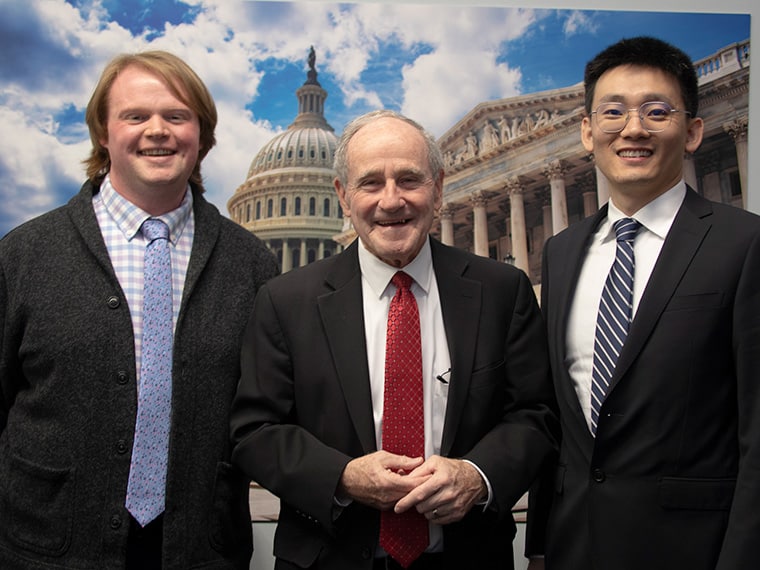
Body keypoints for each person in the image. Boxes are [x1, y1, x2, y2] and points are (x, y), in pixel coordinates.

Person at [230, 109, 559, 570]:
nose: (391, 200)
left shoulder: (502, 290)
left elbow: (536, 413)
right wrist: (342, 476)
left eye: (409, 179)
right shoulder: (285, 300)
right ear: (343, 197)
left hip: (467, 557)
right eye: (370, 183)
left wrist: (478, 475)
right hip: (329, 557)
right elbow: (254, 432)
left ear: (439, 188)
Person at [0, 51, 279, 569]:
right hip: (44, 550)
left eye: (177, 116)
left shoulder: (252, 265)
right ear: (103, 133)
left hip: (201, 549)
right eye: (136, 116)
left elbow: (268, 414)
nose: (158, 131)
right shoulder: (24, 254)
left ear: (201, 134)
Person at [526, 36, 760, 570]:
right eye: (613, 112)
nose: (633, 129)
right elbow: (558, 425)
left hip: (692, 549)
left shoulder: (746, 244)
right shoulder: (561, 253)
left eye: (657, 111)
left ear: (693, 131)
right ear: (587, 132)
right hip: (573, 547)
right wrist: (539, 544)